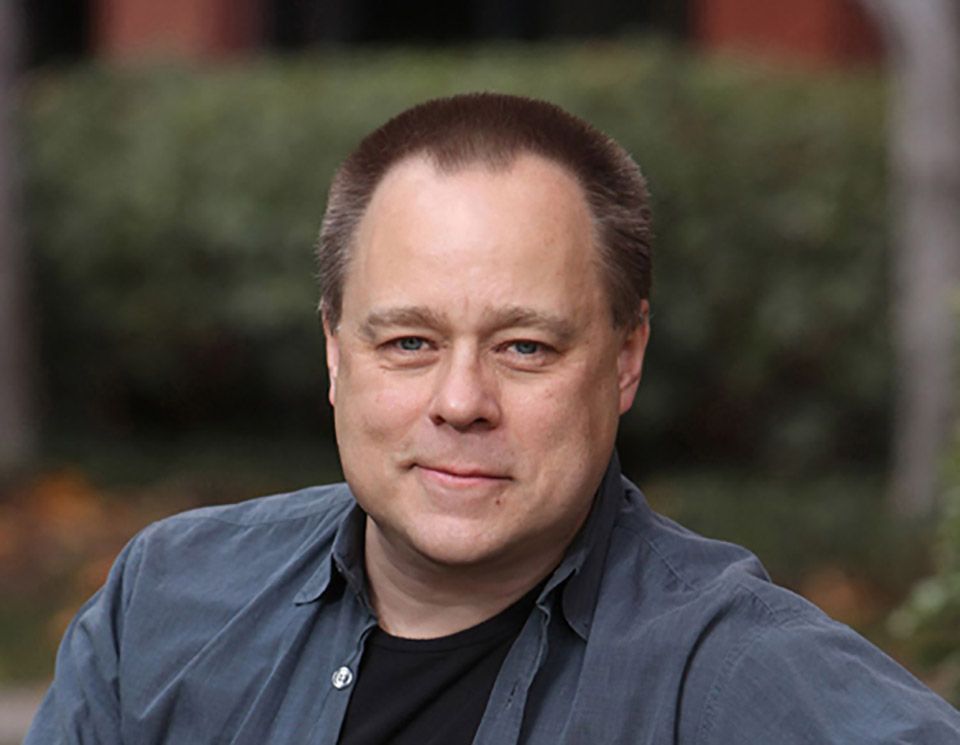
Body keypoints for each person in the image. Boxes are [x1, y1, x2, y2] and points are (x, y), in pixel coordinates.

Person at [27, 93, 960, 744]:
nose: (461, 401)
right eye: (409, 342)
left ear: (626, 359)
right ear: (335, 352)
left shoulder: (732, 674)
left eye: (525, 347)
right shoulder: (168, 605)